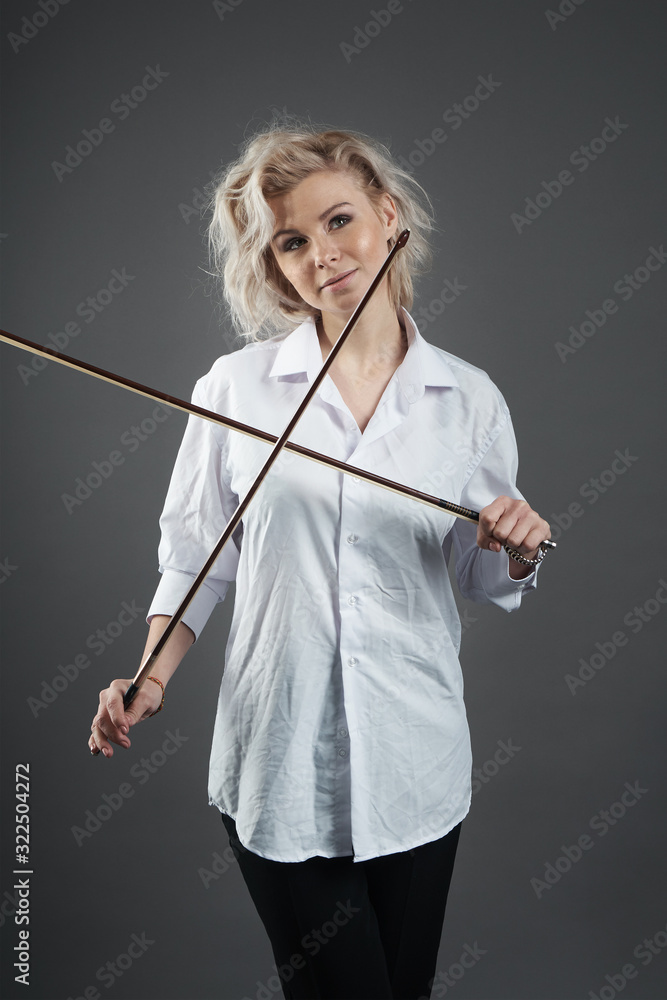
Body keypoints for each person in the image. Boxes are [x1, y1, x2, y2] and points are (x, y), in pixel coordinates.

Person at [88, 121, 551, 1000]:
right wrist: (148, 677)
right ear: (274, 267)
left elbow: (481, 576)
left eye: (337, 222)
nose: (322, 255)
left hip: (416, 763)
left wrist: (514, 549)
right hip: (277, 757)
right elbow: (195, 555)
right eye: (291, 242)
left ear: (385, 216)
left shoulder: (469, 398)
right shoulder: (234, 389)